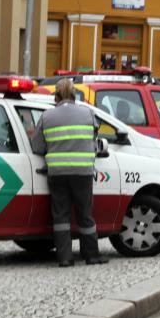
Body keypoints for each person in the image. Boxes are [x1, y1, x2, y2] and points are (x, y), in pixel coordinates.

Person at [31, 78, 107, 267]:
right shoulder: (88, 114)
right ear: (74, 95)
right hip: (83, 173)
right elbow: (94, 138)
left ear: (56, 96)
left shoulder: (47, 116)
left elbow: (37, 146)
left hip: (57, 173)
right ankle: (91, 255)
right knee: (85, 215)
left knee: (61, 216)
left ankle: (65, 257)